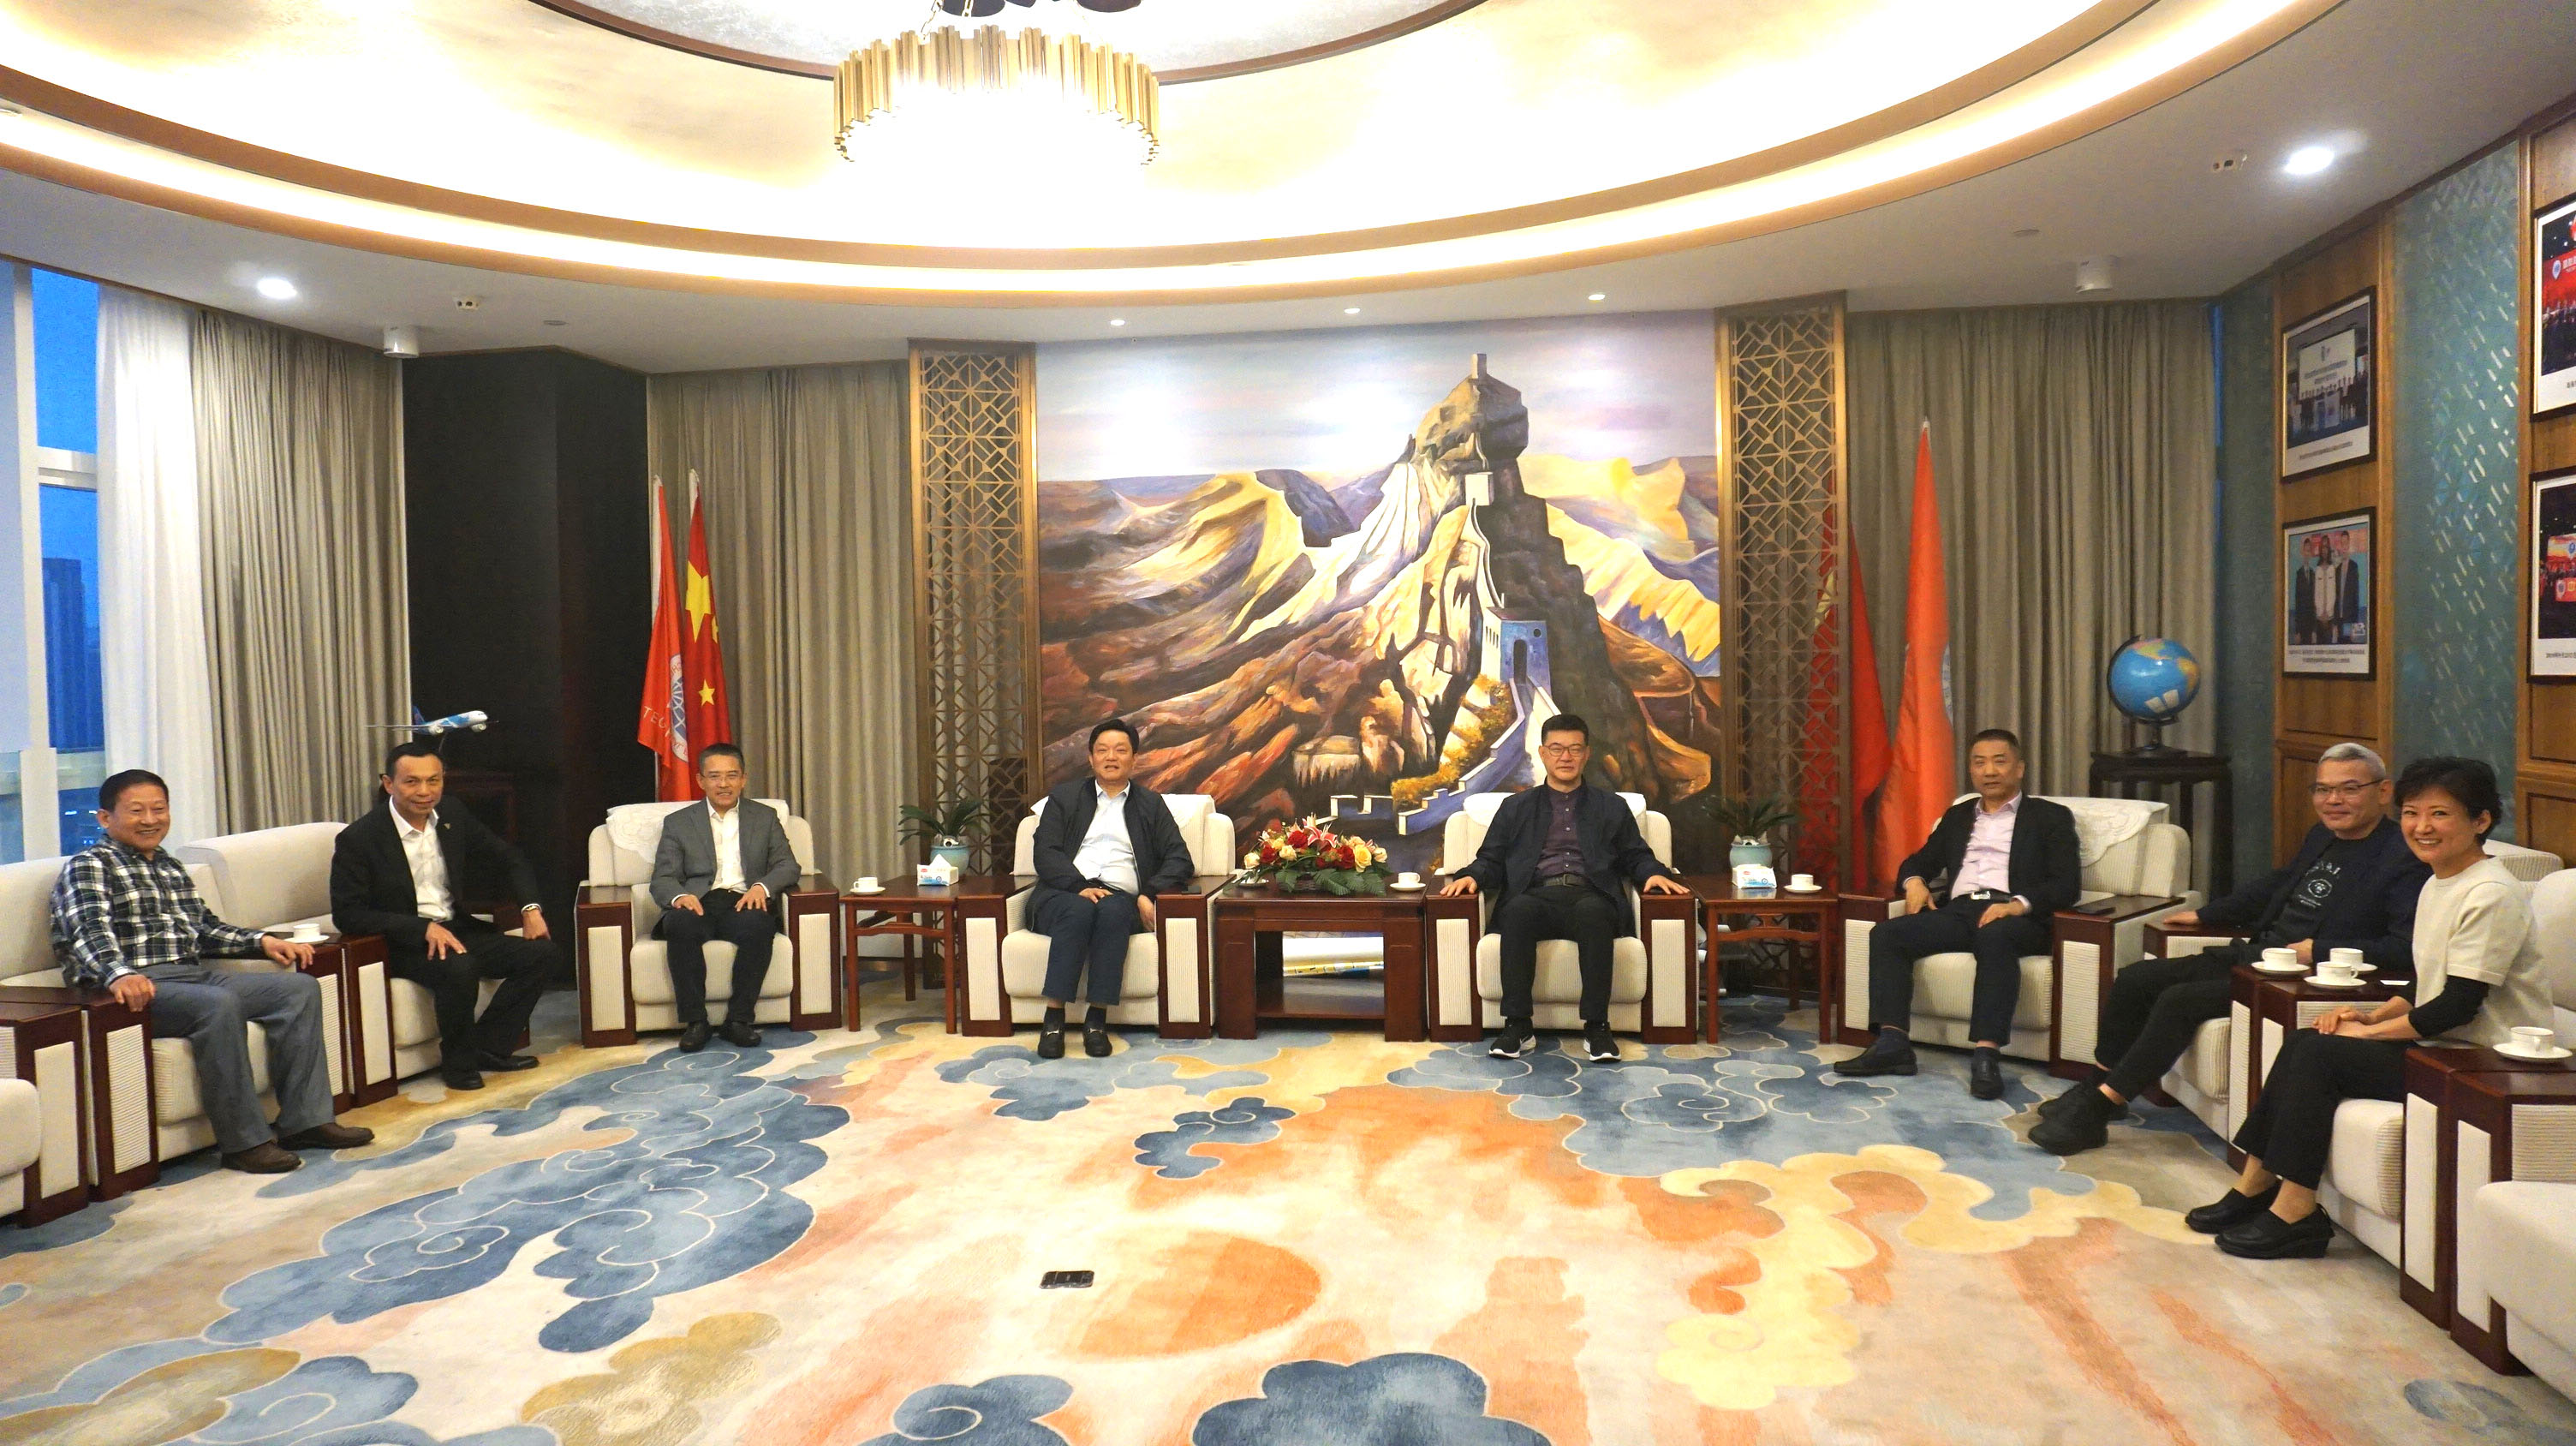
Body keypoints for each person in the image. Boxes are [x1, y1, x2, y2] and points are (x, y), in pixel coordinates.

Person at [2191, 756, 2555, 1258]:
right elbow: (2428, 982)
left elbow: (2457, 1005)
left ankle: (2296, 1211)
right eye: (2411, 813)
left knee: (2319, 1054)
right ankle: (2254, 1185)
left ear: (2481, 821)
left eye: (2440, 814)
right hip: (2444, 1046)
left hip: (2485, 1061)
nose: (2421, 827)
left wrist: (2367, 1036)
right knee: (2305, 1042)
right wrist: (2375, 1015)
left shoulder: (2490, 893)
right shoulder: (2439, 880)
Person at [2030, 742, 2426, 1154]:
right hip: (2262, 956)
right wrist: (2207, 914)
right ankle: (2098, 1083)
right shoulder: (2323, 836)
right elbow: (2279, 883)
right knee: (2136, 979)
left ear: (2383, 791)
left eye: (2349, 789)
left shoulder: (2403, 857)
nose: (2333, 801)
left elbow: (2404, 949)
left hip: (2303, 980)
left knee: (2180, 1000)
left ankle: (2098, 1110)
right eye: (2323, 790)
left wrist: (2320, 950)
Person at [49, 769, 373, 1173]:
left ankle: (306, 1122)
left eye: (159, 809)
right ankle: (244, 1143)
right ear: (105, 818)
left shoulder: (168, 865)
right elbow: (88, 932)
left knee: (298, 990)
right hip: (133, 986)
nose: (150, 820)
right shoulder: (89, 866)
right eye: (136, 811)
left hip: (191, 976)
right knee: (217, 1004)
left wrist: (262, 942)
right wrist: (119, 974)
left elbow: (203, 929)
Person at [1834, 729, 2079, 1099]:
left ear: (2019, 768)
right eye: (1979, 763)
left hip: (2017, 916)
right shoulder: (1959, 815)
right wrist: (1915, 881)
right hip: (1961, 910)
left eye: (1999, 761)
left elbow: (2067, 884)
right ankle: (1893, 1044)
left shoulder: (2050, 817)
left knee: (1994, 936)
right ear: (1971, 770)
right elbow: (1920, 861)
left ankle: (1986, 1054)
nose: (1989, 771)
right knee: (1887, 934)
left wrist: (2017, 904)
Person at [1440, 713, 1689, 1063]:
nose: (1565, 757)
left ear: (1586, 754)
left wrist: (1652, 874)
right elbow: (1491, 858)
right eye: (1557, 749)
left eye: (1574, 749)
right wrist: (1472, 876)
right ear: (1543, 753)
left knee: (1595, 912)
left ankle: (1597, 1028)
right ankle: (1517, 1026)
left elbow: (1635, 854)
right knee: (1516, 911)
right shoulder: (1516, 807)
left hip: (1590, 895)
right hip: (1535, 895)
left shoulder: (1611, 807)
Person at [331, 740, 557, 1090]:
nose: (425, 791)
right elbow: (348, 914)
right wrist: (420, 928)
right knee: (459, 967)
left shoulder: (451, 814)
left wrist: (530, 908)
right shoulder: (359, 839)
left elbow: (508, 857)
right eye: (412, 782)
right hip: (403, 942)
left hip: (456, 928)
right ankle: (458, 1063)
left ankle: (489, 1047)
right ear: (389, 784)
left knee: (542, 954)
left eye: (433, 780)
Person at [1028, 719, 1198, 1060]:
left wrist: (1149, 893)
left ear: (1134, 759)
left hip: (1120, 898)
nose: (1111, 757)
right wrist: (1079, 886)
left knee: (1114, 910)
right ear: (1090, 758)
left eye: (1120, 750)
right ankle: (1054, 1019)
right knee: (1079, 909)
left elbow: (1180, 858)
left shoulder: (1150, 805)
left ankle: (1096, 1020)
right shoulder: (1063, 798)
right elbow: (1045, 852)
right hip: (1064, 894)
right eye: (1102, 750)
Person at [649, 743, 803, 1052]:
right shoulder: (679, 822)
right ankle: (696, 1022)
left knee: (760, 926)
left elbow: (788, 865)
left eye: (732, 776)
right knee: (679, 925)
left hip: (744, 900)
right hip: (699, 901)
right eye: (715, 776)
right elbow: (663, 878)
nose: (724, 784)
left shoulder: (764, 817)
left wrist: (762, 887)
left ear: (743, 779)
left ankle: (739, 1021)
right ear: (700, 780)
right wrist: (680, 896)